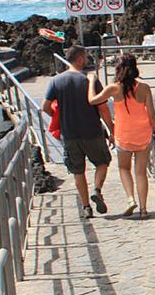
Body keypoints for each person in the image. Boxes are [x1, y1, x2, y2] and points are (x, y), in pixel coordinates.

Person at [42, 44, 113, 218]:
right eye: (86, 56)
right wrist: (112, 129)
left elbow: (45, 107)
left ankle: (86, 207)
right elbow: (102, 108)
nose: (87, 59)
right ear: (80, 58)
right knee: (102, 162)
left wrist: (58, 116)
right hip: (92, 132)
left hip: (69, 134)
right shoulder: (90, 80)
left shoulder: (56, 81)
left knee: (78, 171)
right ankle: (97, 189)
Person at [87, 53, 155, 219]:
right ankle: (143, 209)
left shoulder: (113, 88)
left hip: (124, 134)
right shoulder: (144, 88)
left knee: (124, 168)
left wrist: (91, 81)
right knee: (141, 172)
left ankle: (130, 199)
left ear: (118, 68)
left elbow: (92, 100)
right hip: (143, 134)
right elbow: (152, 114)